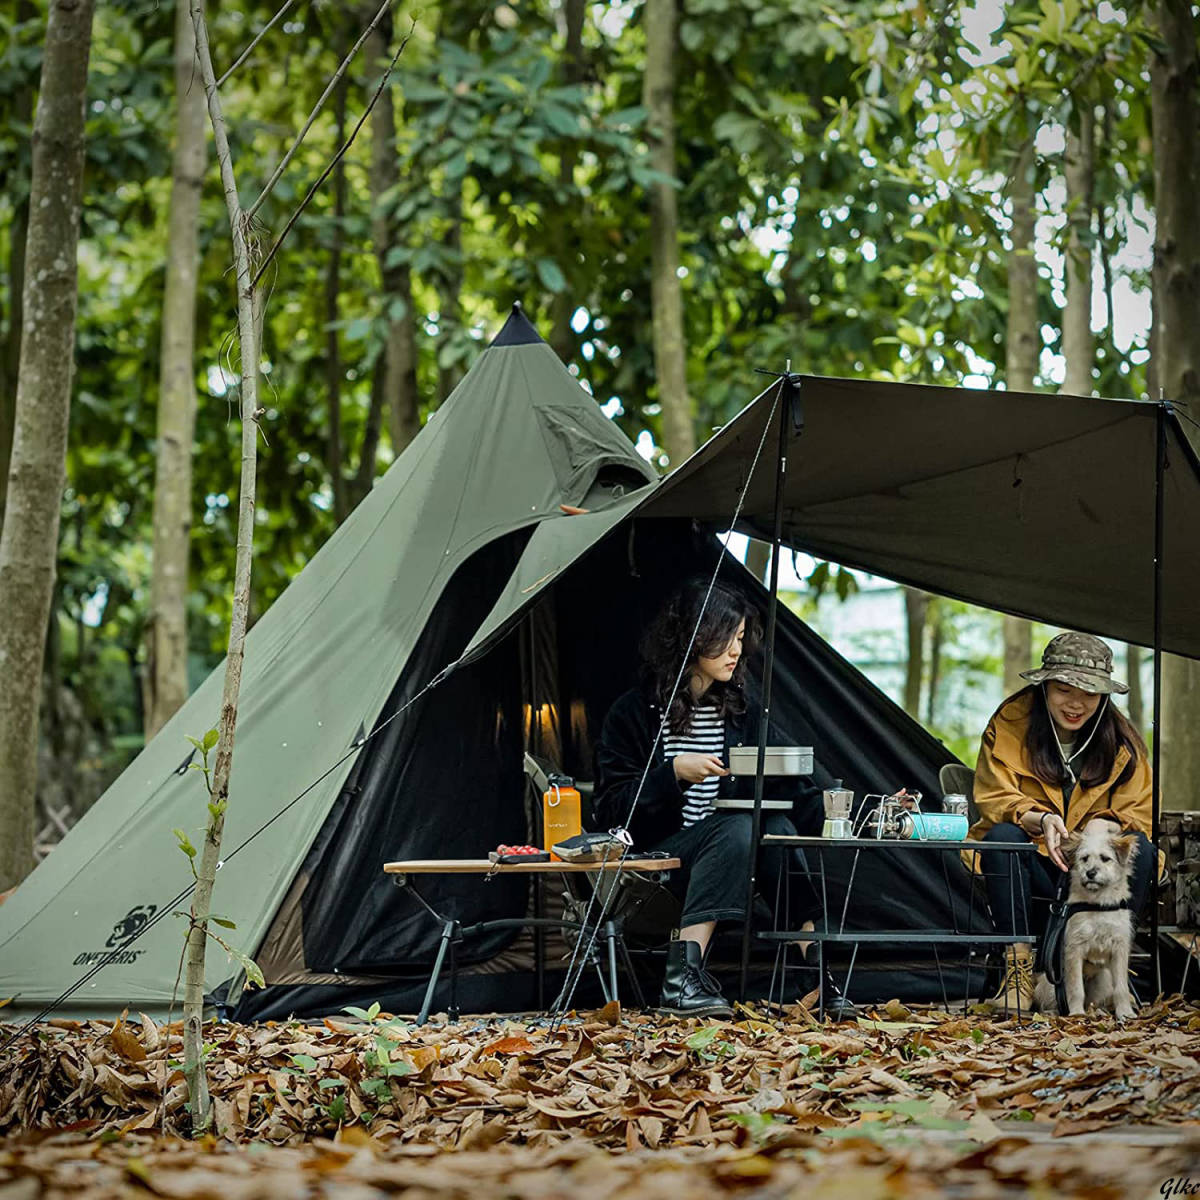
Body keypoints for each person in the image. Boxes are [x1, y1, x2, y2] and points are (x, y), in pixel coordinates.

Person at [592, 578, 855, 1020]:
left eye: (740, 640)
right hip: (658, 866)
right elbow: (612, 812)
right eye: (726, 639)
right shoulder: (633, 713)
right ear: (695, 637)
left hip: (731, 861)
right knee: (740, 824)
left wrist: (853, 813)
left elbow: (794, 789)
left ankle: (816, 975)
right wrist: (672, 774)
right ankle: (682, 980)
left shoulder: (743, 714)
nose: (736, 651)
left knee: (778, 829)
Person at [967, 631, 1157, 1011]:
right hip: (1036, 861)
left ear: (1103, 696)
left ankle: (1105, 973)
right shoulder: (1009, 724)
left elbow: (1139, 815)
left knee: (1146, 852)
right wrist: (1036, 817)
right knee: (1002, 837)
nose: (1076, 703)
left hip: (1094, 868)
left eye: (1089, 693)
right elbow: (993, 796)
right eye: (1064, 689)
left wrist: (1100, 829)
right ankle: (1018, 972)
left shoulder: (1124, 743)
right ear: (1045, 687)